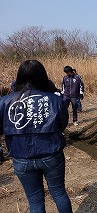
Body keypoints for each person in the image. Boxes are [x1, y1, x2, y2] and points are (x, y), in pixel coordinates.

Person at [0, 60, 72, 213]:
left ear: (19, 76)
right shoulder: (55, 99)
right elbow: (62, 124)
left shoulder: (5, 102)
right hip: (51, 154)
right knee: (59, 193)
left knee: (35, 201)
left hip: (21, 158)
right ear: (43, 76)